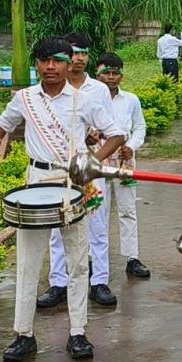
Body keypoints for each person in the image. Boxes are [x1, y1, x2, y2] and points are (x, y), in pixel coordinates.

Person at [0, 37, 124, 361]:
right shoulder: (24, 99)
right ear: (36, 64)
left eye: (57, 60)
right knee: (28, 261)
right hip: (35, 182)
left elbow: (117, 133)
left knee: (78, 261)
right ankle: (24, 334)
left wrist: (92, 162)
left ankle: (78, 333)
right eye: (44, 60)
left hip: (72, 184)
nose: (51, 66)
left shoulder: (83, 100)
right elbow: (2, 125)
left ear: (68, 62)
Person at [36, 33, 121, 309]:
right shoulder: (47, 90)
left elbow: (112, 129)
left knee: (97, 225)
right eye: (74, 53)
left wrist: (95, 150)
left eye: (84, 53)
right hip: (60, 170)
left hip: (91, 170)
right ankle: (58, 282)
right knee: (58, 227)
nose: (79, 58)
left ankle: (100, 281)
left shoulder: (98, 90)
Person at [92, 51, 152, 285]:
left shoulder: (131, 100)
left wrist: (132, 146)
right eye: (106, 72)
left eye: (115, 73)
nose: (110, 77)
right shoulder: (90, 99)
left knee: (127, 209)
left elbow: (140, 127)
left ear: (121, 76)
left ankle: (132, 257)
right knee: (98, 210)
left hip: (124, 160)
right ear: (97, 74)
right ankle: (94, 259)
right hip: (98, 160)